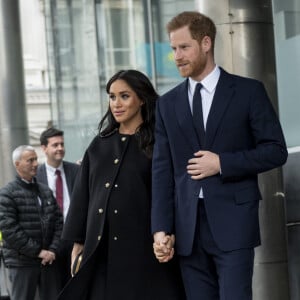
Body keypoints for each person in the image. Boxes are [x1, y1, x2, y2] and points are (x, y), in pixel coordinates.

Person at [151, 11, 288, 300]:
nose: (177, 56)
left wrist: (222, 163)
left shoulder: (248, 92)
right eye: (173, 49)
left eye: (184, 47)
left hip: (234, 224)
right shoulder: (167, 104)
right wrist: (161, 229)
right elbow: (163, 171)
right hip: (187, 229)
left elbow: (275, 151)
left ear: (205, 43)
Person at [57, 70, 185, 300]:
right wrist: (78, 243)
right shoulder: (99, 145)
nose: (116, 104)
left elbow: (171, 193)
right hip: (102, 251)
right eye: (112, 96)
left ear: (142, 99)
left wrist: (170, 233)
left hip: (145, 250)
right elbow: (83, 196)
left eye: (124, 96)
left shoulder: (158, 144)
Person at [0, 145, 63, 300]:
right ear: (17, 164)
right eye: (30, 160)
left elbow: (59, 222)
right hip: (21, 263)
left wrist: (52, 250)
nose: (35, 164)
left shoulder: (45, 191)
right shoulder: (7, 194)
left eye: (36, 159)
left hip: (48, 261)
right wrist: (38, 252)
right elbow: (9, 230)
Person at [36, 127, 80, 286]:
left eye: (62, 144)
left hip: (73, 238)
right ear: (44, 148)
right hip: (49, 244)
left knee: (75, 286)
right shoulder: (35, 176)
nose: (60, 148)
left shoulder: (76, 170)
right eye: (55, 145)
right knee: (52, 290)